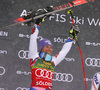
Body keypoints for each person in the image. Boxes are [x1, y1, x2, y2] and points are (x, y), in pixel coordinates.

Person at [21, 6, 80, 90]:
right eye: (47, 47)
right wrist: (38, 23)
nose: (50, 49)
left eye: (51, 47)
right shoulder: (34, 57)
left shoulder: (53, 61)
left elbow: (64, 52)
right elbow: (33, 38)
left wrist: (71, 37)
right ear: (41, 48)